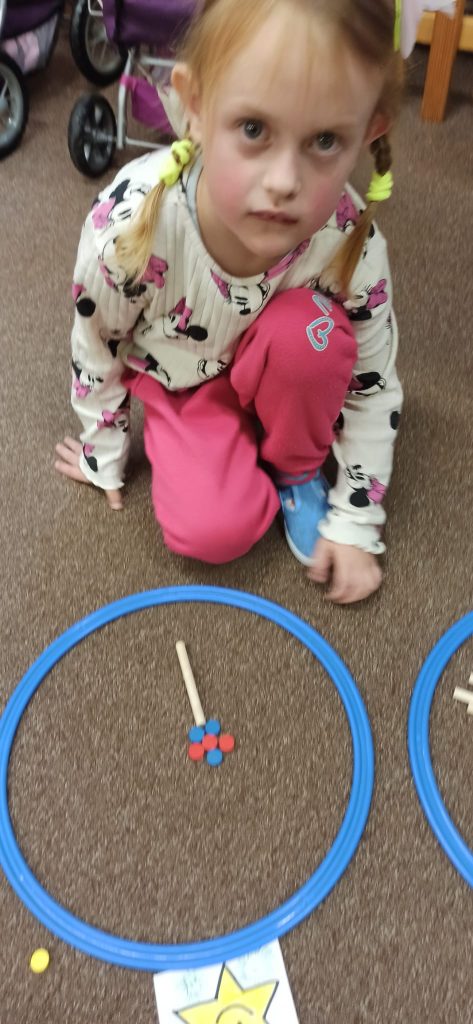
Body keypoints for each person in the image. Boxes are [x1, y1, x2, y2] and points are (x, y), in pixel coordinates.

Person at [56, 0, 408, 604]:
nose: (283, 182)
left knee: (310, 339)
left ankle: (295, 468)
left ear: (369, 131)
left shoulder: (349, 239)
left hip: (287, 367)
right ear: (194, 106)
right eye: (253, 129)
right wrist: (102, 448)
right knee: (211, 531)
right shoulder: (128, 227)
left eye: (325, 140)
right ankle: (236, 452)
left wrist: (357, 518)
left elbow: (374, 387)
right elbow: (98, 340)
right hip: (184, 387)